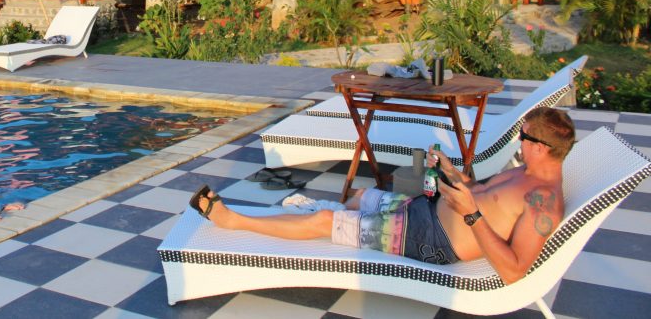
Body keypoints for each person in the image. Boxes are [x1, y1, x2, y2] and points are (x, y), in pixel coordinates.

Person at [190, 107, 574, 284]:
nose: (518, 141)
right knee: (359, 195)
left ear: (540, 147)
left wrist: (471, 214)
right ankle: (342, 221)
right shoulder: (525, 170)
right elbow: (483, 195)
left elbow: (513, 271)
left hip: (429, 239)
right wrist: (454, 173)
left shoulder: (544, 202)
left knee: (324, 220)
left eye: (523, 137)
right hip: (425, 211)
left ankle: (234, 220)